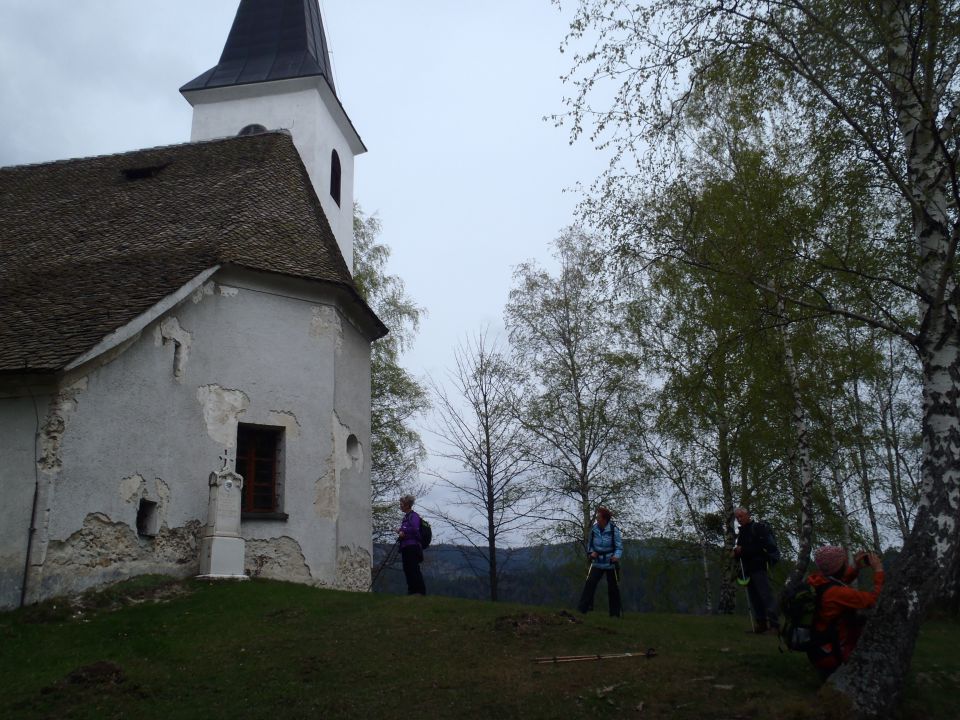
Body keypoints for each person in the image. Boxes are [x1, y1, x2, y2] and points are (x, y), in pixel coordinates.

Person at [807, 545, 885, 679]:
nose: (845, 563)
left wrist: (855, 567)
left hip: (819, 649)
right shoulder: (837, 593)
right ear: (839, 567)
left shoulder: (819, 581)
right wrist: (878, 571)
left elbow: (839, 581)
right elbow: (873, 600)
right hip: (833, 653)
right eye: (844, 561)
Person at [733, 507, 779, 634]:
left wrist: (743, 550)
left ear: (748, 515)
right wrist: (736, 553)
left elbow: (761, 548)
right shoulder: (741, 532)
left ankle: (774, 625)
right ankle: (761, 624)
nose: (739, 519)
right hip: (747, 569)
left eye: (741, 516)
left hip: (759, 567)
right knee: (754, 597)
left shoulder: (758, 528)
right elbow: (741, 552)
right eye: (737, 517)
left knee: (766, 596)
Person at [577, 507, 623, 617]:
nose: (597, 519)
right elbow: (590, 545)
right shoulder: (594, 529)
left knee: (613, 587)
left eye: (598, 517)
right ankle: (582, 609)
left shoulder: (613, 530)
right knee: (590, 583)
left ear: (604, 519)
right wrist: (591, 552)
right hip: (597, 562)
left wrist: (616, 556)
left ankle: (615, 614)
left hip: (610, 562)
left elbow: (619, 547)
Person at [397, 495, 426, 595]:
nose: (400, 506)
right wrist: (401, 531)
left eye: (401, 504)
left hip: (412, 546)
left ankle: (419, 591)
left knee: (413, 568)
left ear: (407, 505)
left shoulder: (414, 516)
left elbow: (415, 529)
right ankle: (412, 591)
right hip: (405, 546)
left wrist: (402, 531)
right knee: (407, 569)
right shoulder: (406, 517)